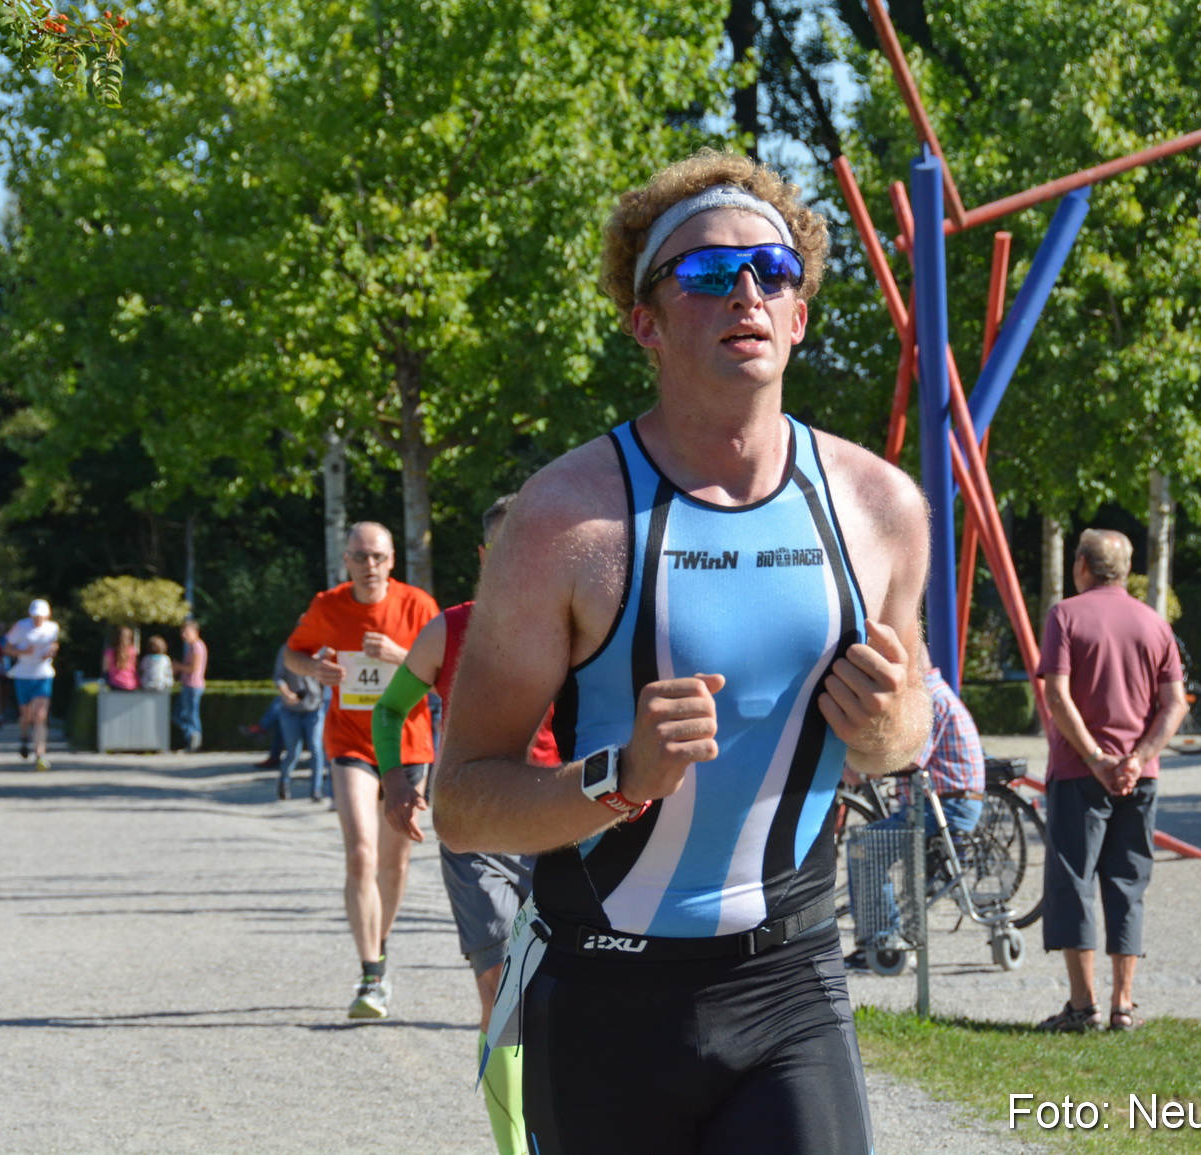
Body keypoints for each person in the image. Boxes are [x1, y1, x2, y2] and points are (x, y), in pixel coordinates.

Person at [432, 152, 931, 1154]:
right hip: (600, 996)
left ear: (798, 315)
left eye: (772, 270)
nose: (746, 290)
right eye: (706, 272)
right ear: (645, 323)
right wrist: (619, 780)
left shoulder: (881, 506)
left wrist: (886, 728)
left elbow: (907, 728)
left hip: (790, 983)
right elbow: (462, 801)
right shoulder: (564, 522)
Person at [372, 494, 553, 1155]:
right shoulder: (447, 630)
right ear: (484, 555)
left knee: (563, 997)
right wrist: (397, 781)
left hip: (560, 828)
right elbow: (389, 710)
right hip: (475, 833)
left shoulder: (578, 627)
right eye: (507, 548)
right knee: (504, 993)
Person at [284, 521, 439, 1020]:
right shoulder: (327, 606)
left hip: (408, 746)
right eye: (360, 556)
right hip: (351, 741)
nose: (369, 565)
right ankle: (371, 973)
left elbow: (448, 673)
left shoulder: (418, 606)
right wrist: (314, 670)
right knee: (360, 855)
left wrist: (401, 656)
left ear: (392, 560)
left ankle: (381, 944)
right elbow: (292, 653)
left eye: (378, 556)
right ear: (345, 560)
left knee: (395, 862)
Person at [1034, 529, 1188, 1033]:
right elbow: (1174, 704)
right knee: (1128, 883)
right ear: (1126, 571)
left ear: (1081, 565)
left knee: (1073, 883)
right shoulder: (1154, 623)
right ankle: (1123, 1005)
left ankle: (1083, 1006)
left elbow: (1057, 695)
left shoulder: (1065, 616)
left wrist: (1096, 758)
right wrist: (1138, 758)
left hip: (1079, 772)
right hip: (1139, 778)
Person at [845, 649, 985, 972]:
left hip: (946, 809)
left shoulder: (929, 700)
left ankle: (883, 939)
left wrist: (864, 767)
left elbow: (910, 759)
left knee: (866, 847)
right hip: (949, 804)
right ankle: (883, 933)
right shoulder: (939, 693)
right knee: (873, 841)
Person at [4, 599, 61, 772]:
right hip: (23, 675)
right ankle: (24, 738)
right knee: (26, 715)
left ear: (47, 615)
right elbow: (7, 648)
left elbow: (54, 644)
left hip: (43, 674)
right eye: (36, 616)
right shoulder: (21, 627)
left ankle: (40, 754)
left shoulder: (53, 627)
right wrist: (22, 652)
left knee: (40, 715)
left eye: (41, 616)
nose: (38, 620)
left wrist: (52, 651)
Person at [272, 646, 326, 802]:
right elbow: (278, 677)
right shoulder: (287, 650)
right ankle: (284, 781)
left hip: (314, 708)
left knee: (316, 748)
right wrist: (287, 693)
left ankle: (316, 790)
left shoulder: (320, 648)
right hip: (291, 710)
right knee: (293, 750)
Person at [171, 618, 207, 753]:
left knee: (191, 715)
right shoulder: (192, 646)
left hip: (193, 685)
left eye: (187, 632)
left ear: (195, 632)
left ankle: (194, 740)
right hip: (188, 685)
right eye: (182, 632)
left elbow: (193, 668)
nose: (184, 635)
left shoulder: (197, 647)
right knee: (179, 714)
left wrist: (178, 666)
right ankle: (193, 738)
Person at [103, 625, 139, 691]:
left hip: (115, 684)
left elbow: (105, 669)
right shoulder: (133, 651)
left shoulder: (109, 652)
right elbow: (135, 668)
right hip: (131, 684)